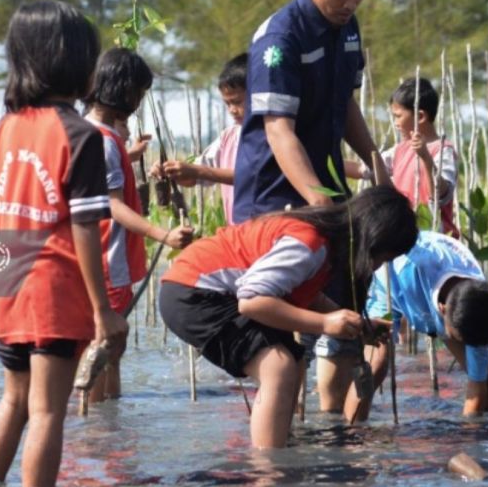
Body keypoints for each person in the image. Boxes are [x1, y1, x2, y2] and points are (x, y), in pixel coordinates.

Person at [0, 0, 129, 487]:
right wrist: (104, 311)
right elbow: (85, 229)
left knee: (13, 402)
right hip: (54, 291)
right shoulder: (80, 136)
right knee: (47, 413)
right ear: (77, 65)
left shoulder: (6, 127)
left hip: (9, 287)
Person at [157, 184, 417, 448]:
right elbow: (252, 300)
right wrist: (327, 323)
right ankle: (269, 475)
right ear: (371, 241)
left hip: (208, 291)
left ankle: (281, 445)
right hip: (193, 291)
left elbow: (306, 295)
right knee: (278, 367)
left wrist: (359, 325)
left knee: (292, 359)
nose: (376, 267)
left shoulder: (327, 247)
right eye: (382, 258)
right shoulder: (310, 242)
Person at [232, 0, 389, 223]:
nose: (351, 5)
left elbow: (345, 104)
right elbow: (278, 130)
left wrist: (380, 172)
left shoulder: (348, 27)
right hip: (275, 204)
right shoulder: (280, 39)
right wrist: (319, 200)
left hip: (326, 194)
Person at [84, 47, 194, 403]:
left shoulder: (87, 132)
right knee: (107, 351)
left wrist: (127, 155)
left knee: (105, 350)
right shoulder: (103, 142)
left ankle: (106, 429)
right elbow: (113, 206)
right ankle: (104, 433)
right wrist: (163, 234)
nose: (139, 102)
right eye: (139, 94)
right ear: (123, 90)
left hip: (90, 260)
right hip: (106, 259)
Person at [340, 230, 488, 423]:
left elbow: (477, 387)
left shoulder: (478, 303)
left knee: (482, 371)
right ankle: (352, 432)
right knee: (376, 364)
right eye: (457, 336)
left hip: (443, 292)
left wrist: (471, 441)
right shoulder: (410, 268)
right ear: (442, 310)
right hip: (390, 282)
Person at [354, 78, 460, 237]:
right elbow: (365, 169)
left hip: (435, 239)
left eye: (398, 116)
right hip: (405, 237)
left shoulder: (443, 150)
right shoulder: (400, 150)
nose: (395, 123)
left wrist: (426, 158)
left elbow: (442, 195)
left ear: (421, 116)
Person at [157, 53, 247, 224]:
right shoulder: (228, 137)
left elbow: (254, 177)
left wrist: (197, 171)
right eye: (227, 104)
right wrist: (173, 171)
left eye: (237, 102)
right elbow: (194, 177)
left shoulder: (273, 135)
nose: (232, 110)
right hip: (237, 234)